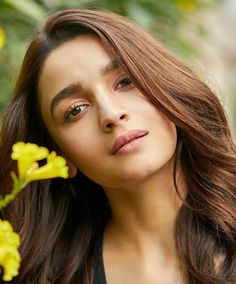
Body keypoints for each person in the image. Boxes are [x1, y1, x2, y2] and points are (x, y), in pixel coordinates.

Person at [0, 9, 235, 284]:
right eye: (75, 110)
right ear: (60, 155)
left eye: (126, 81)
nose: (111, 114)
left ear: (167, 86)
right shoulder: (42, 275)